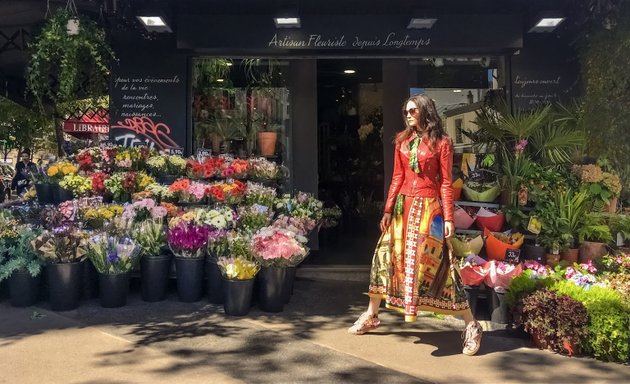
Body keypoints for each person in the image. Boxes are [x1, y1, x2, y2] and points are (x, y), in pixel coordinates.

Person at [347, 94, 483, 356]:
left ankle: (472, 325)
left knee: (440, 266)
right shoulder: (402, 142)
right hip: (402, 209)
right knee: (384, 258)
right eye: (406, 111)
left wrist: (448, 219)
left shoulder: (443, 143)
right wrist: (387, 208)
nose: (408, 115)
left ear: (425, 112)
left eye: (413, 111)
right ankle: (372, 314)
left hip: (429, 210)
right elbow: (397, 176)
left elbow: (446, 182)